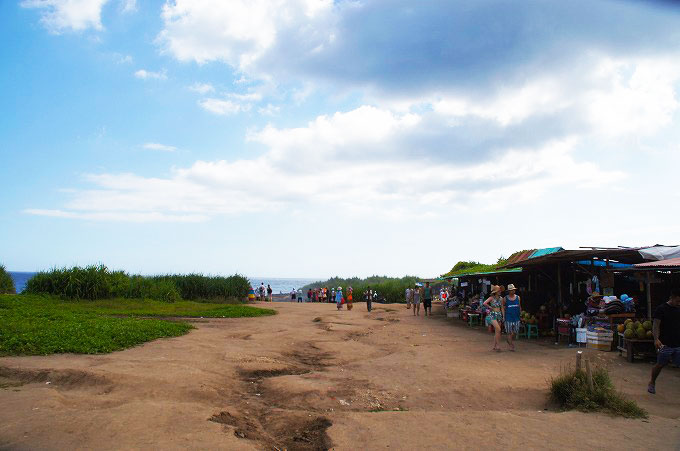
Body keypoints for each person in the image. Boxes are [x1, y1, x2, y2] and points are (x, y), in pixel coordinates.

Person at [648, 288, 680, 394]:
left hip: (678, 343)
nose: (679, 303)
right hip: (664, 343)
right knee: (660, 364)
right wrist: (656, 339)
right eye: (678, 301)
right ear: (672, 298)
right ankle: (652, 382)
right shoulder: (661, 309)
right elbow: (656, 325)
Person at [483, 285, 504, 352]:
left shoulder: (501, 298)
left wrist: (503, 316)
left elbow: (502, 308)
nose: (500, 292)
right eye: (498, 291)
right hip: (493, 314)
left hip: (499, 314)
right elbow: (484, 303)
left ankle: (495, 346)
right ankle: (497, 345)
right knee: (498, 329)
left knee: (497, 331)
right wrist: (490, 307)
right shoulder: (491, 298)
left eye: (500, 290)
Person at [503, 283, 522, 351]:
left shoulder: (518, 297)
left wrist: (520, 314)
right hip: (508, 317)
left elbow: (519, 306)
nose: (512, 291)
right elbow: (503, 307)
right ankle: (511, 345)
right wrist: (504, 316)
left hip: (516, 317)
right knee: (509, 332)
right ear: (509, 291)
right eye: (511, 290)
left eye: (513, 290)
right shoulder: (505, 298)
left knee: (515, 332)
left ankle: (509, 340)